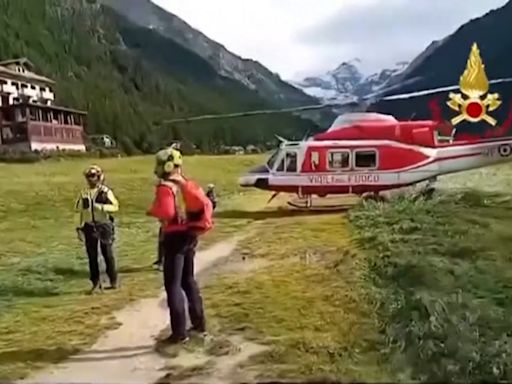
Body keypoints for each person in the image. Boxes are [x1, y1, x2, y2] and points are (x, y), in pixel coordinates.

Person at [147, 147, 213, 344]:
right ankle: (199, 323)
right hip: (190, 234)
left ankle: (179, 333)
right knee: (188, 280)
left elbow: (167, 213)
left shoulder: (166, 187)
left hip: (174, 237)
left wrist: (153, 211)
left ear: (166, 165)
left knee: (173, 285)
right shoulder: (185, 184)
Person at [75, 165, 120, 294]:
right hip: (89, 226)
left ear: (99, 177)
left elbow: (115, 206)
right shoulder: (83, 193)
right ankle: (95, 283)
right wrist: (78, 227)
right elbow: (78, 211)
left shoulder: (105, 192)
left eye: (93, 176)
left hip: (104, 225)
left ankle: (113, 280)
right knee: (92, 256)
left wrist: (103, 208)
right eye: (88, 177)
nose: (90, 179)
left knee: (107, 253)